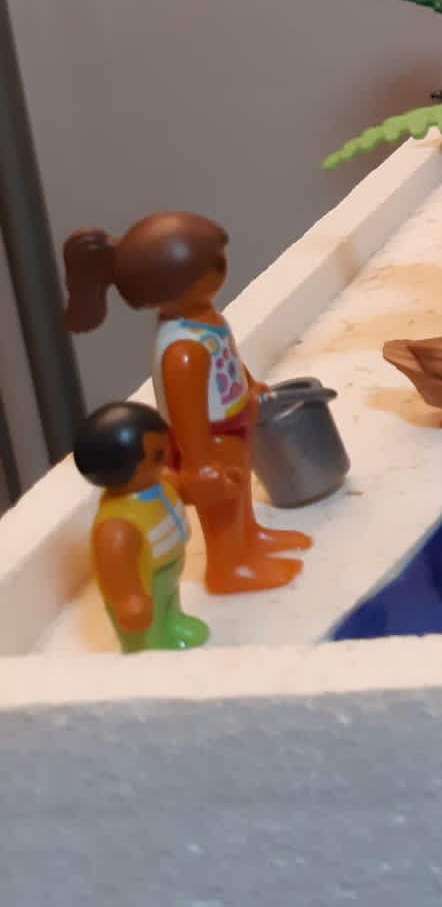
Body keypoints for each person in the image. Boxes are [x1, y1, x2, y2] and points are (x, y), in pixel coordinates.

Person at [64, 213, 311, 594]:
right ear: (178, 284)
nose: (222, 272)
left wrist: (250, 386)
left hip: (233, 421)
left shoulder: (204, 322)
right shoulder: (182, 350)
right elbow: (186, 412)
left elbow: (227, 358)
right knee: (221, 503)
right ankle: (229, 568)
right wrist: (199, 463)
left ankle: (251, 539)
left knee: (239, 489)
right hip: (209, 436)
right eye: (215, 266)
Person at [76, 401, 220, 654]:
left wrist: (206, 487)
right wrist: (127, 599)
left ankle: (172, 624)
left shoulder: (160, 483)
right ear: (122, 467)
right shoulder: (117, 526)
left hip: (167, 566)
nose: (167, 457)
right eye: (158, 455)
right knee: (145, 625)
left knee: (168, 601)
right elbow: (115, 566)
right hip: (142, 583)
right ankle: (145, 650)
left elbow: (184, 488)